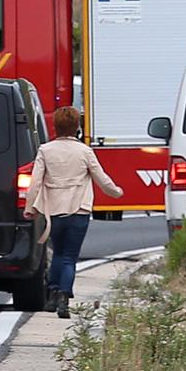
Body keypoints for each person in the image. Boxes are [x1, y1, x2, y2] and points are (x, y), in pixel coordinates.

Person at [23, 106, 123, 318]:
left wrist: (30, 207)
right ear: (77, 127)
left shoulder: (45, 150)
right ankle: (64, 298)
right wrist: (116, 193)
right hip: (79, 209)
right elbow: (101, 178)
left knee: (58, 253)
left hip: (54, 211)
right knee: (70, 256)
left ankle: (52, 293)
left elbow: (35, 183)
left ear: (55, 126)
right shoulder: (84, 151)